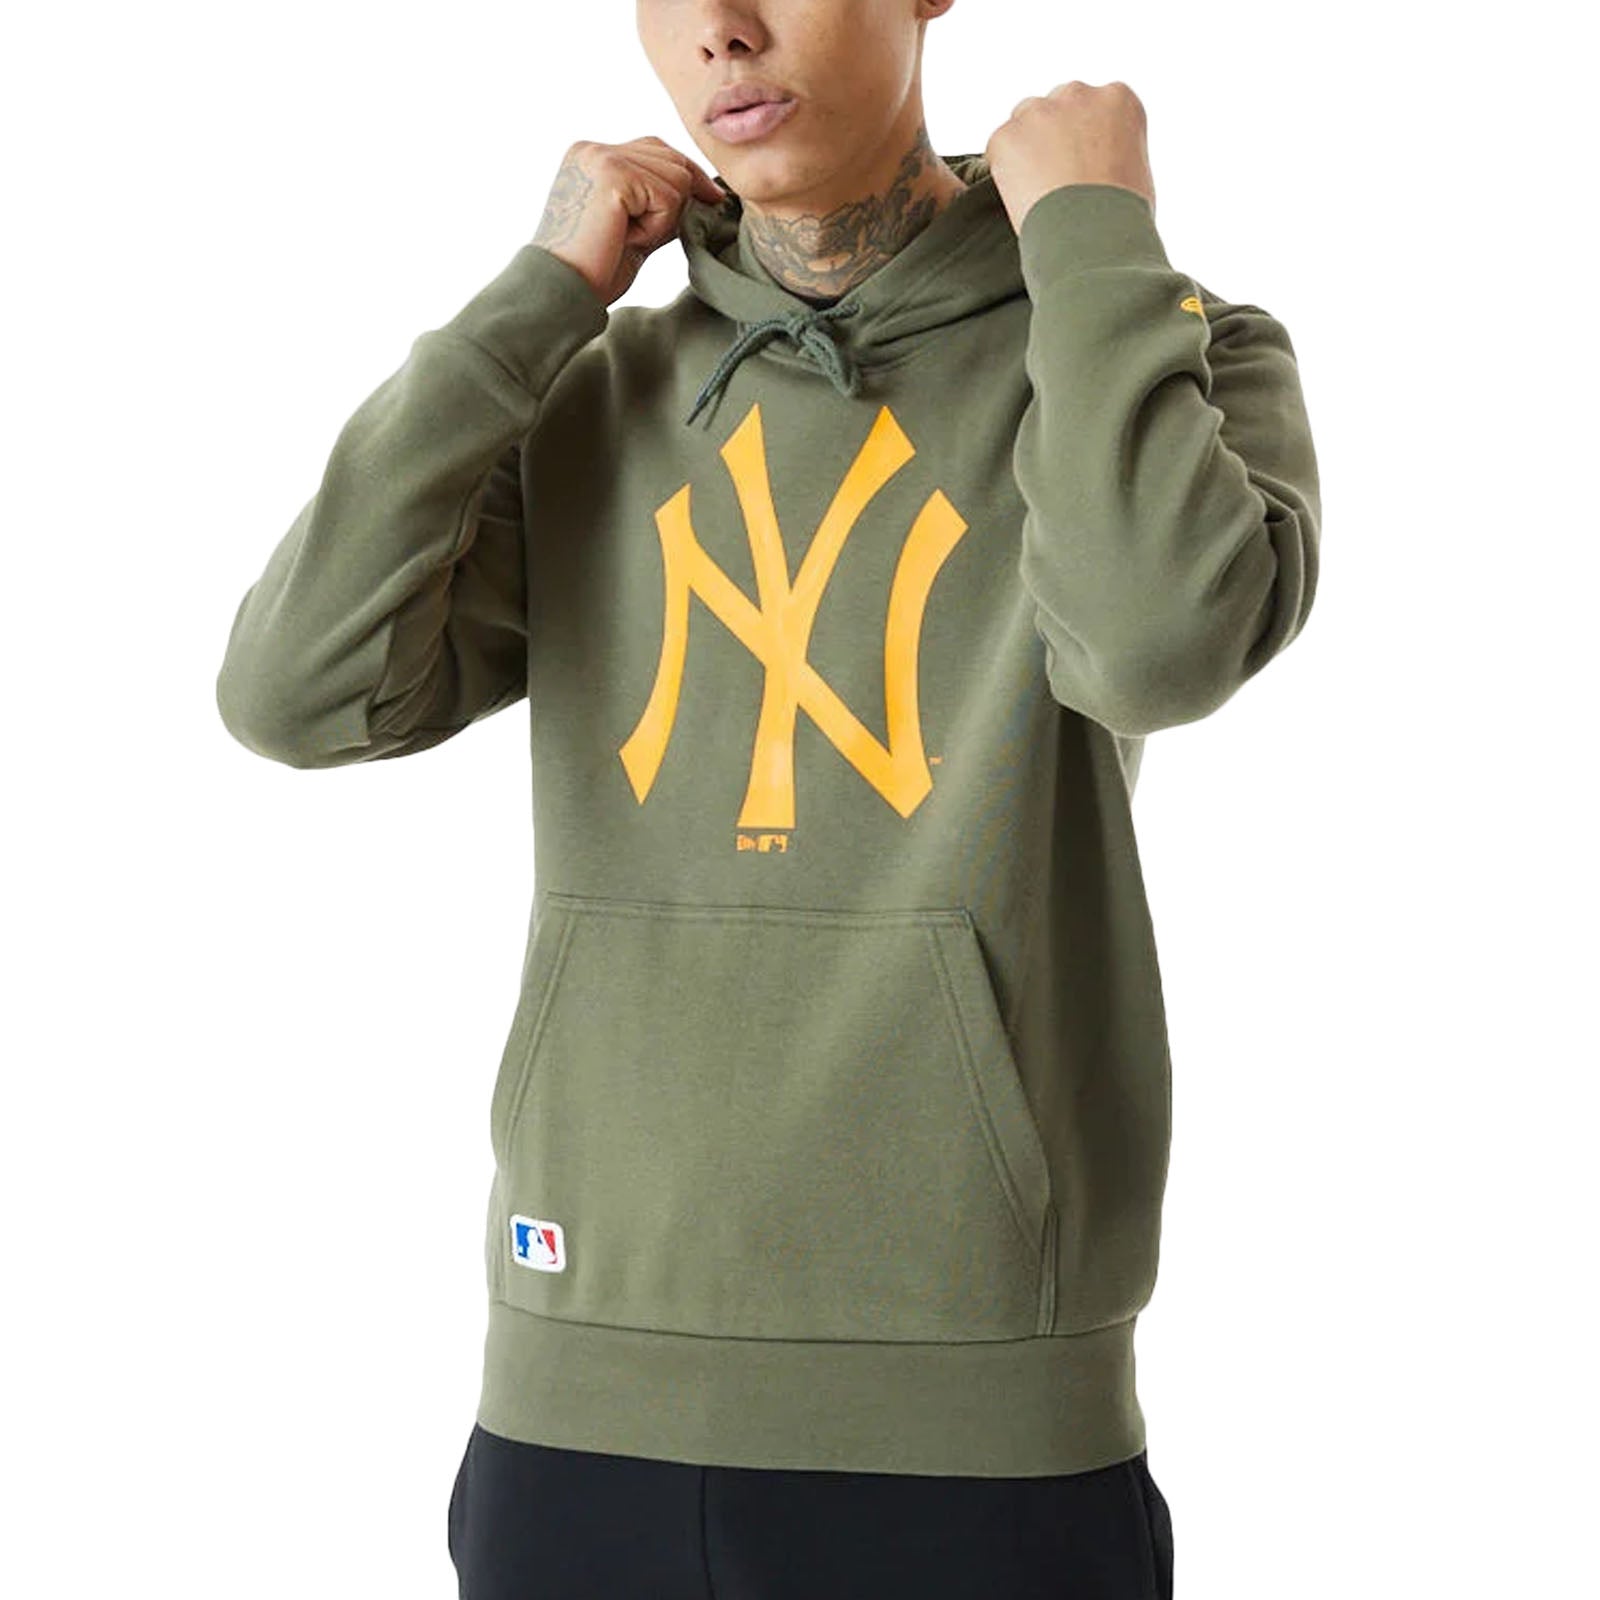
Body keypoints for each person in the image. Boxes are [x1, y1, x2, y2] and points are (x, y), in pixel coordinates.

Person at [215, 1, 1320, 1594]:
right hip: (576, 1396)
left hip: (980, 1427)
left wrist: (1090, 242)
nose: (724, 32)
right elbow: (296, 692)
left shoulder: (1152, 347)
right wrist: (538, 300)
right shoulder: (589, 390)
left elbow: (1157, 647)